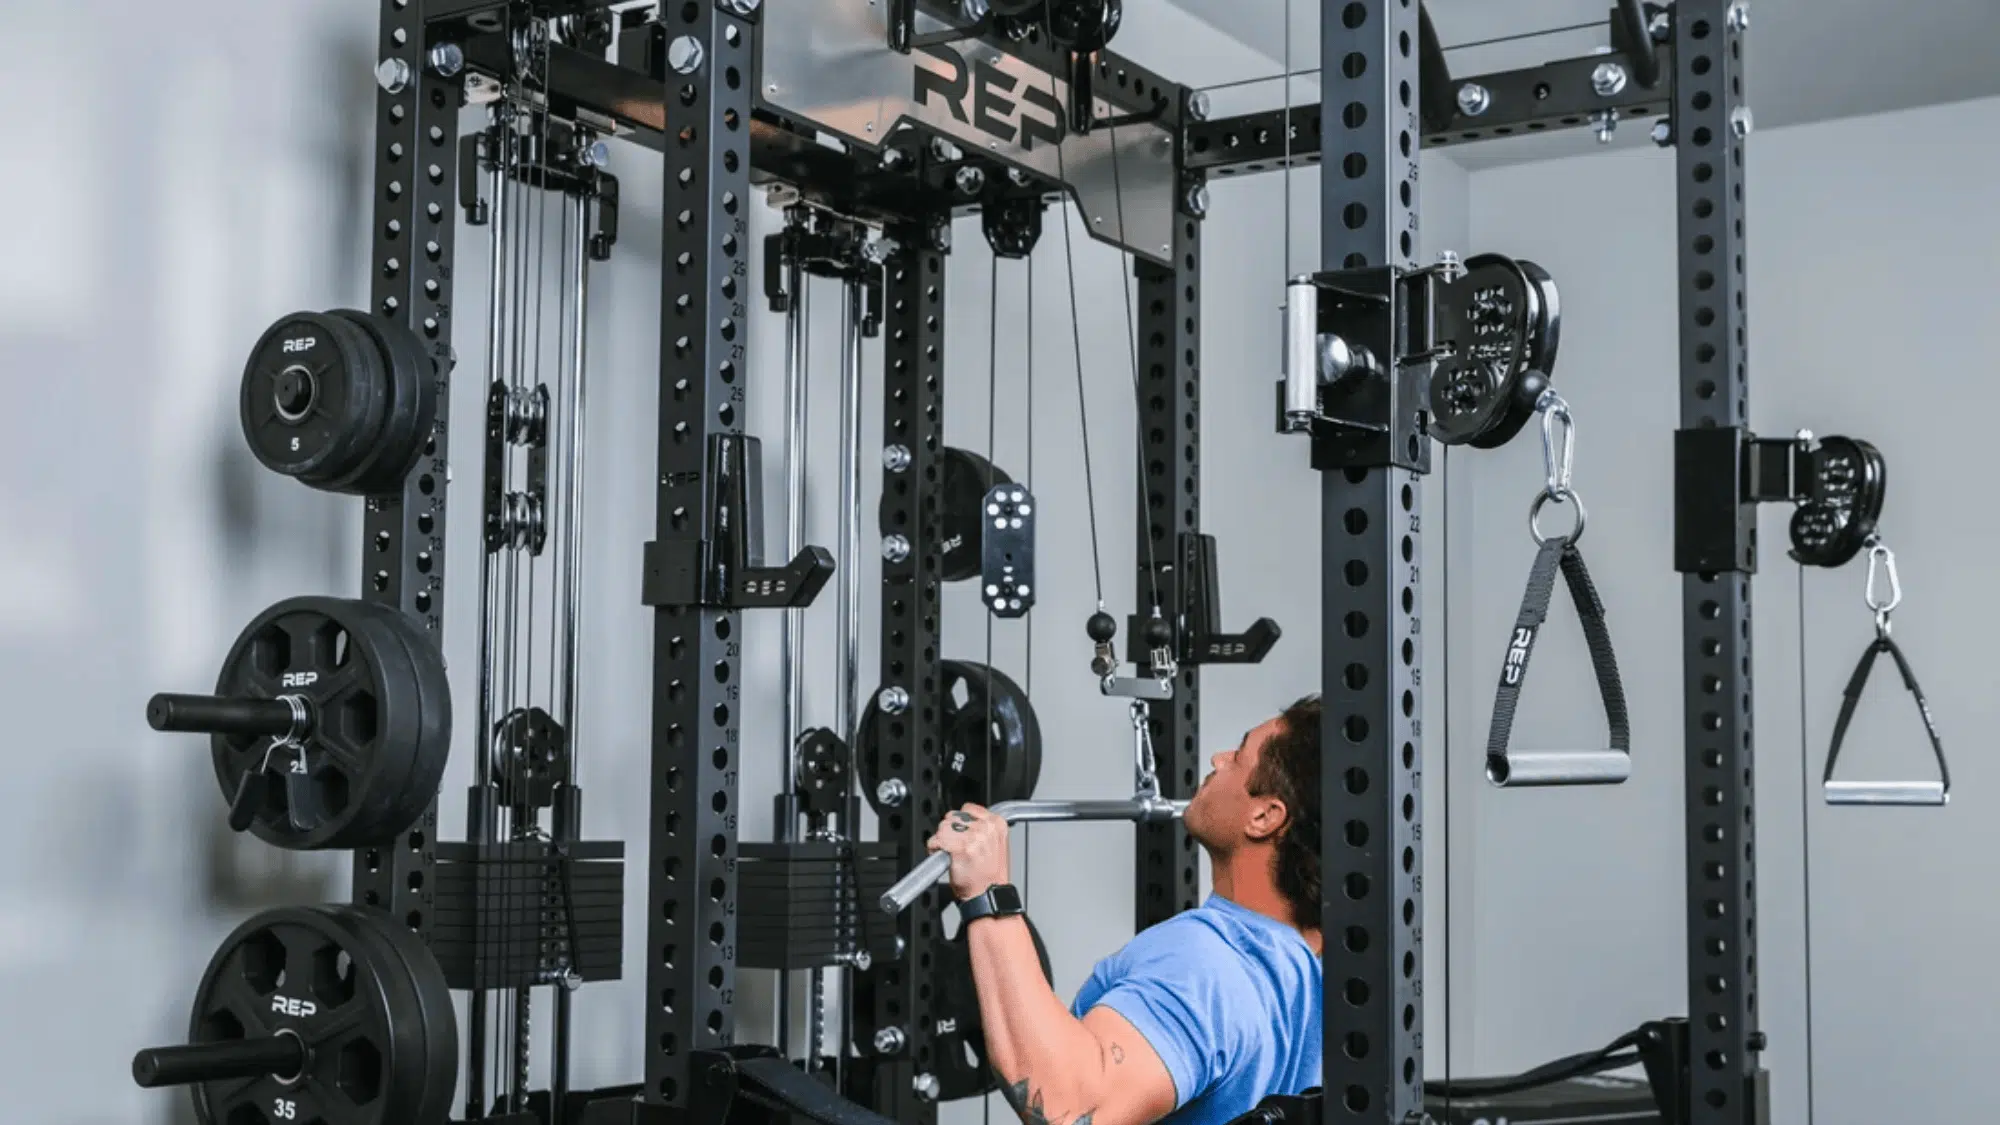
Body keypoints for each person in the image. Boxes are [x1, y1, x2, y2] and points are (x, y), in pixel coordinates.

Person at [926, 694, 1325, 1125]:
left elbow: (1067, 1107)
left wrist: (987, 891)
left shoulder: (1206, 962)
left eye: (1239, 755)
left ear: (1264, 817)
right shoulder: (1319, 970)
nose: (1218, 757)